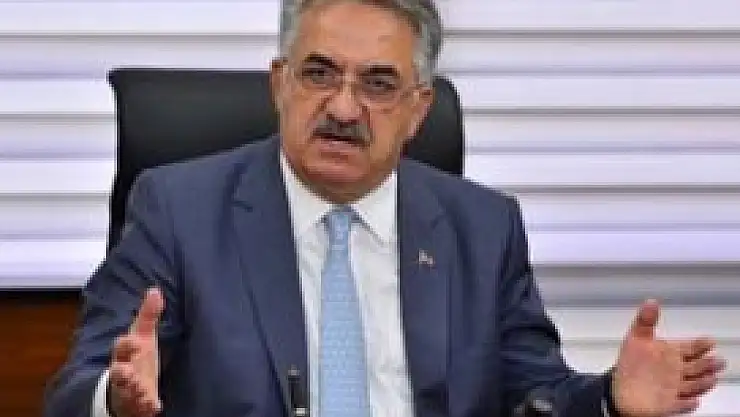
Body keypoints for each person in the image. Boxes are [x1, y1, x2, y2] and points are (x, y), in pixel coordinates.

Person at [44, 1, 726, 417]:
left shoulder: (482, 230)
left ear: (418, 109)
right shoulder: (178, 210)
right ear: (279, 84)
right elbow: (77, 391)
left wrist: (609, 399)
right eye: (319, 73)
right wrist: (117, 398)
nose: (344, 108)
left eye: (377, 84)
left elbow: (536, 394)